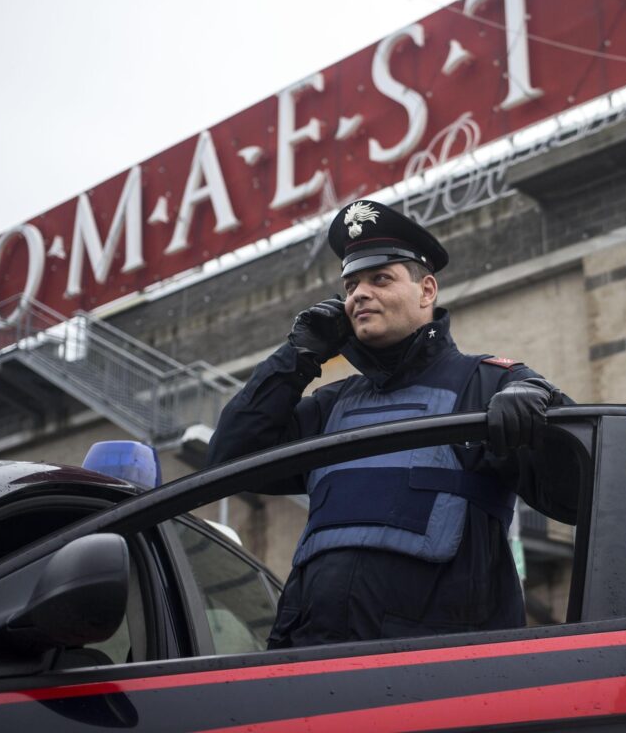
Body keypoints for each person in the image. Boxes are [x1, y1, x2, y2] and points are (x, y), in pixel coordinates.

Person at [208, 199, 578, 648]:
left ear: (426, 291)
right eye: (351, 285)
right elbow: (230, 457)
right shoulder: (330, 406)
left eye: (380, 279)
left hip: (435, 675)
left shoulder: (487, 384)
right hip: (308, 666)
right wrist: (296, 357)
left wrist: (543, 416)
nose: (359, 294)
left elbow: (577, 496)